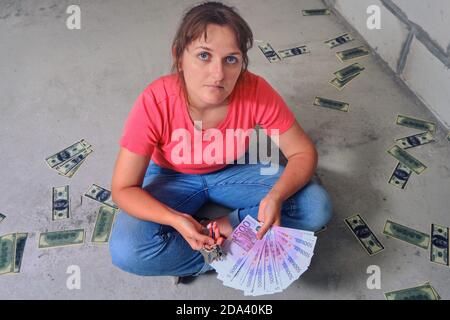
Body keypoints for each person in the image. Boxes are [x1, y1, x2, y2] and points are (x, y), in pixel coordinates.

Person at [109, 1, 332, 278]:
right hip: (172, 176)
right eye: (204, 55)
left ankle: (222, 228)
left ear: (242, 63)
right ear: (179, 56)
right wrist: (175, 219)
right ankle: (226, 252)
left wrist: (275, 196)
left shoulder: (255, 91)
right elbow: (123, 188)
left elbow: (302, 152)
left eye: (231, 59)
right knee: (127, 250)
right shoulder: (155, 101)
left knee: (315, 206)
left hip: (231, 171)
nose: (218, 75)